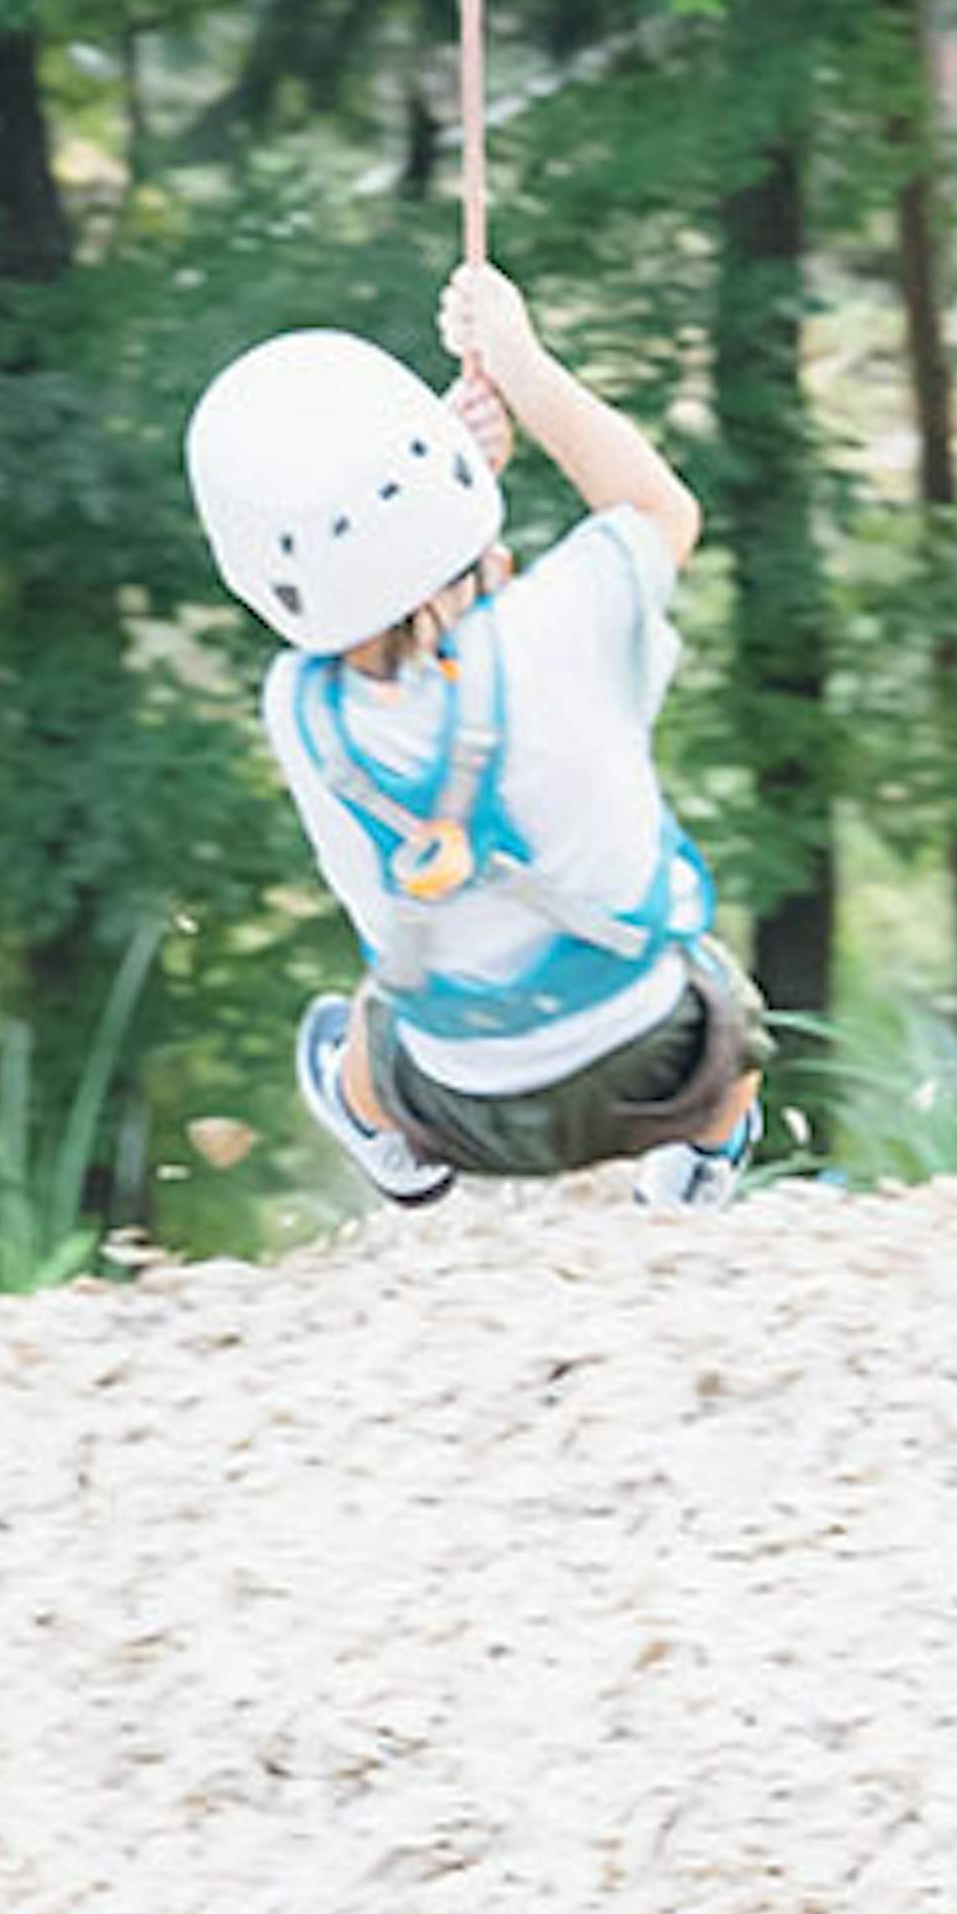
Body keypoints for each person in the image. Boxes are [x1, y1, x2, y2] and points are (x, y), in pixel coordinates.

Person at [184, 255, 767, 1213]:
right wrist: (520, 366)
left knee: (373, 1001)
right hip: (662, 1068)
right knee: (716, 982)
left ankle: (381, 1134)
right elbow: (659, 509)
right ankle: (704, 1153)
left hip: (452, 1100)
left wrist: (439, 491)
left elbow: (400, 639)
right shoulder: (567, 622)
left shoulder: (297, 711)